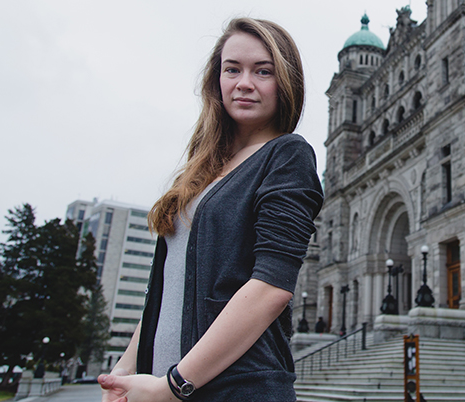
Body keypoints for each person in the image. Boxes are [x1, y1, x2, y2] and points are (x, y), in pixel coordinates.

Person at [98, 17, 322, 402]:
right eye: (232, 69)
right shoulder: (200, 171)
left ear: (285, 82)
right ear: (216, 80)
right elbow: (167, 288)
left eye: (263, 71)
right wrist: (122, 372)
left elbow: (271, 287)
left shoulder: (287, 154)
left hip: (235, 390)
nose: (244, 82)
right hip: (161, 387)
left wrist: (174, 385)